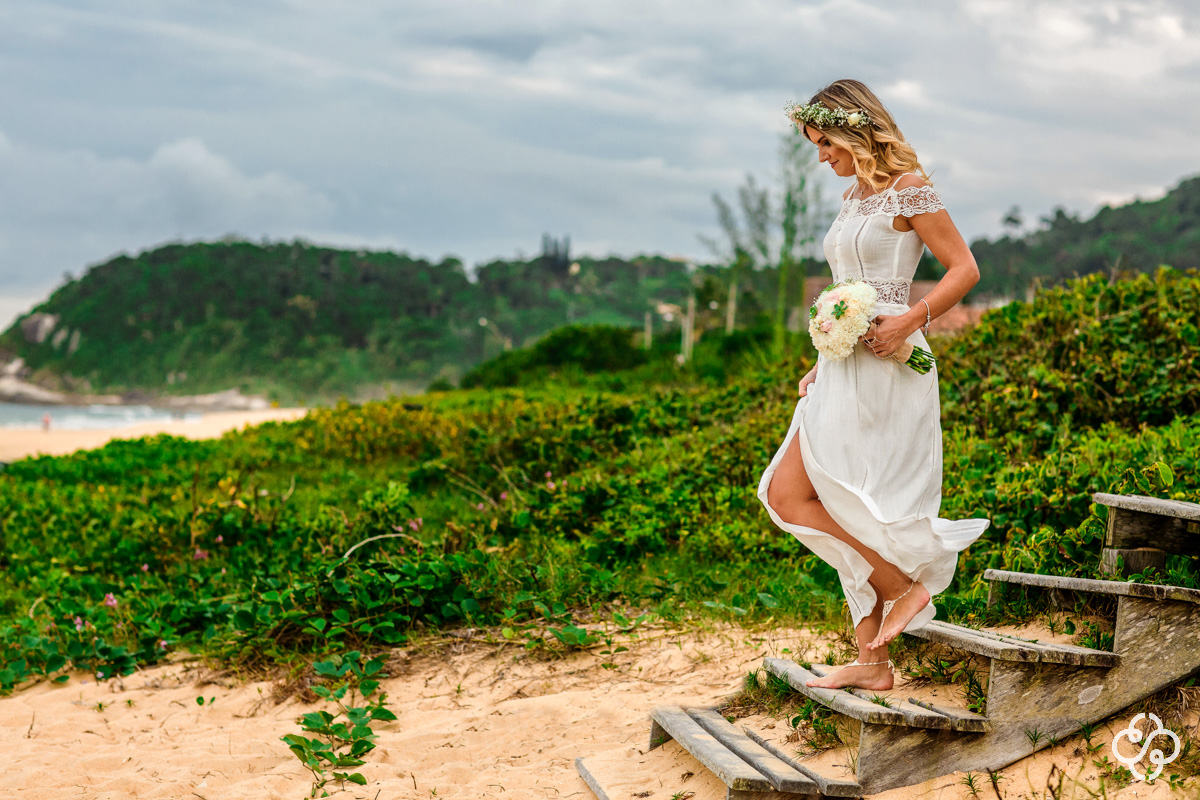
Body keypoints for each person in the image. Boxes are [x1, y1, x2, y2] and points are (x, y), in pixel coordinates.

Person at [757, 79, 991, 691]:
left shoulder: (910, 190)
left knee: (856, 497)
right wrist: (823, 357)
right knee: (798, 495)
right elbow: (845, 289)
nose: (821, 157)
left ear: (853, 130)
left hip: (893, 365)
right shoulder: (852, 199)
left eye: (824, 141)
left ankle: (893, 614)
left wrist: (912, 318)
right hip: (842, 365)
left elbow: (964, 268)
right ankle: (875, 656)